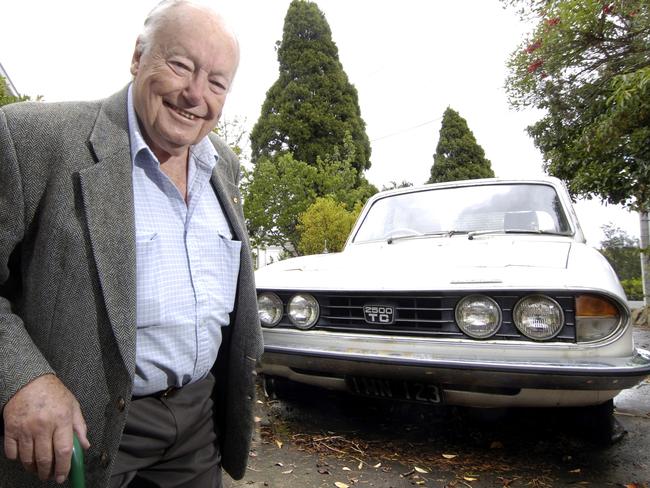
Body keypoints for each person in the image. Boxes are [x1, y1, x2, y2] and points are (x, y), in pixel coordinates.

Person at [0, 1, 263, 486]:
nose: (195, 94)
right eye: (181, 65)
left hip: (196, 423)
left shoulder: (222, 164)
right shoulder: (33, 138)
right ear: (139, 57)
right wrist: (22, 377)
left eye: (217, 82)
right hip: (82, 431)